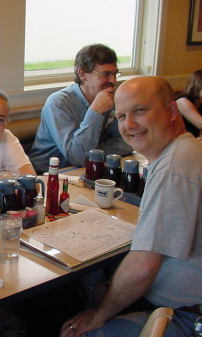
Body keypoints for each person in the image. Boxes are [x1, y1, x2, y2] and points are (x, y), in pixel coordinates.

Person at [60, 76, 202, 337]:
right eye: (122, 116)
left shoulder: (174, 167)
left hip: (186, 316)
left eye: (140, 111)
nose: (130, 124)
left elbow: (143, 265)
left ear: (171, 111)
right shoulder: (185, 150)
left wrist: (99, 315)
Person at [29, 44, 132, 172]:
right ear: (82, 74)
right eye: (105, 74)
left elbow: (128, 141)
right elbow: (77, 157)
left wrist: (92, 154)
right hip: (47, 175)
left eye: (115, 74)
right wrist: (95, 111)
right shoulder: (58, 103)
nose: (113, 80)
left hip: (85, 171)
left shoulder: (110, 98)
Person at [176, 69, 202, 138]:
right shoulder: (183, 101)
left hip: (191, 140)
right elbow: (200, 123)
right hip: (178, 142)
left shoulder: (200, 103)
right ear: (197, 87)